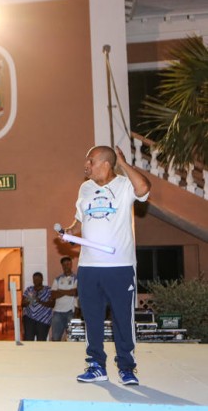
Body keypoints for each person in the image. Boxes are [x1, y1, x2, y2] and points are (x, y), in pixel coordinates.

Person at [61, 145, 150, 386]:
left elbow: (144, 188)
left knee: (122, 318)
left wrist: (124, 164)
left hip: (120, 266)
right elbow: (80, 221)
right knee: (92, 318)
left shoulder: (124, 185)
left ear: (106, 164)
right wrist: (70, 232)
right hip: (89, 267)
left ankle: (126, 367)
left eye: (90, 161)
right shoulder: (85, 188)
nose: (86, 165)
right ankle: (96, 366)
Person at [50, 256, 78, 341]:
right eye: (64, 265)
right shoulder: (58, 279)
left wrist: (60, 291)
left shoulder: (76, 278)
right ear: (62, 266)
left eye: (68, 264)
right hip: (57, 312)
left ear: (71, 265)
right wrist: (69, 291)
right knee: (55, 338)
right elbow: (53, 294)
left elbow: (75, 292)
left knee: (72, 339)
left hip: (71, 312)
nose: (66, 266)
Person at [21, 272, 54, 341]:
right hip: (29, 318)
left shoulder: (48, 290)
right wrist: (30, 300)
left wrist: (40, 301)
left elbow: (52, 304)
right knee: (28, 339)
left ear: (42, 279)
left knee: (41, 340)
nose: (36, 281)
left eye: (38, 279)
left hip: (43, 320)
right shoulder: (29, 289)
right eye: (34, 279)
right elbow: (22, 304)